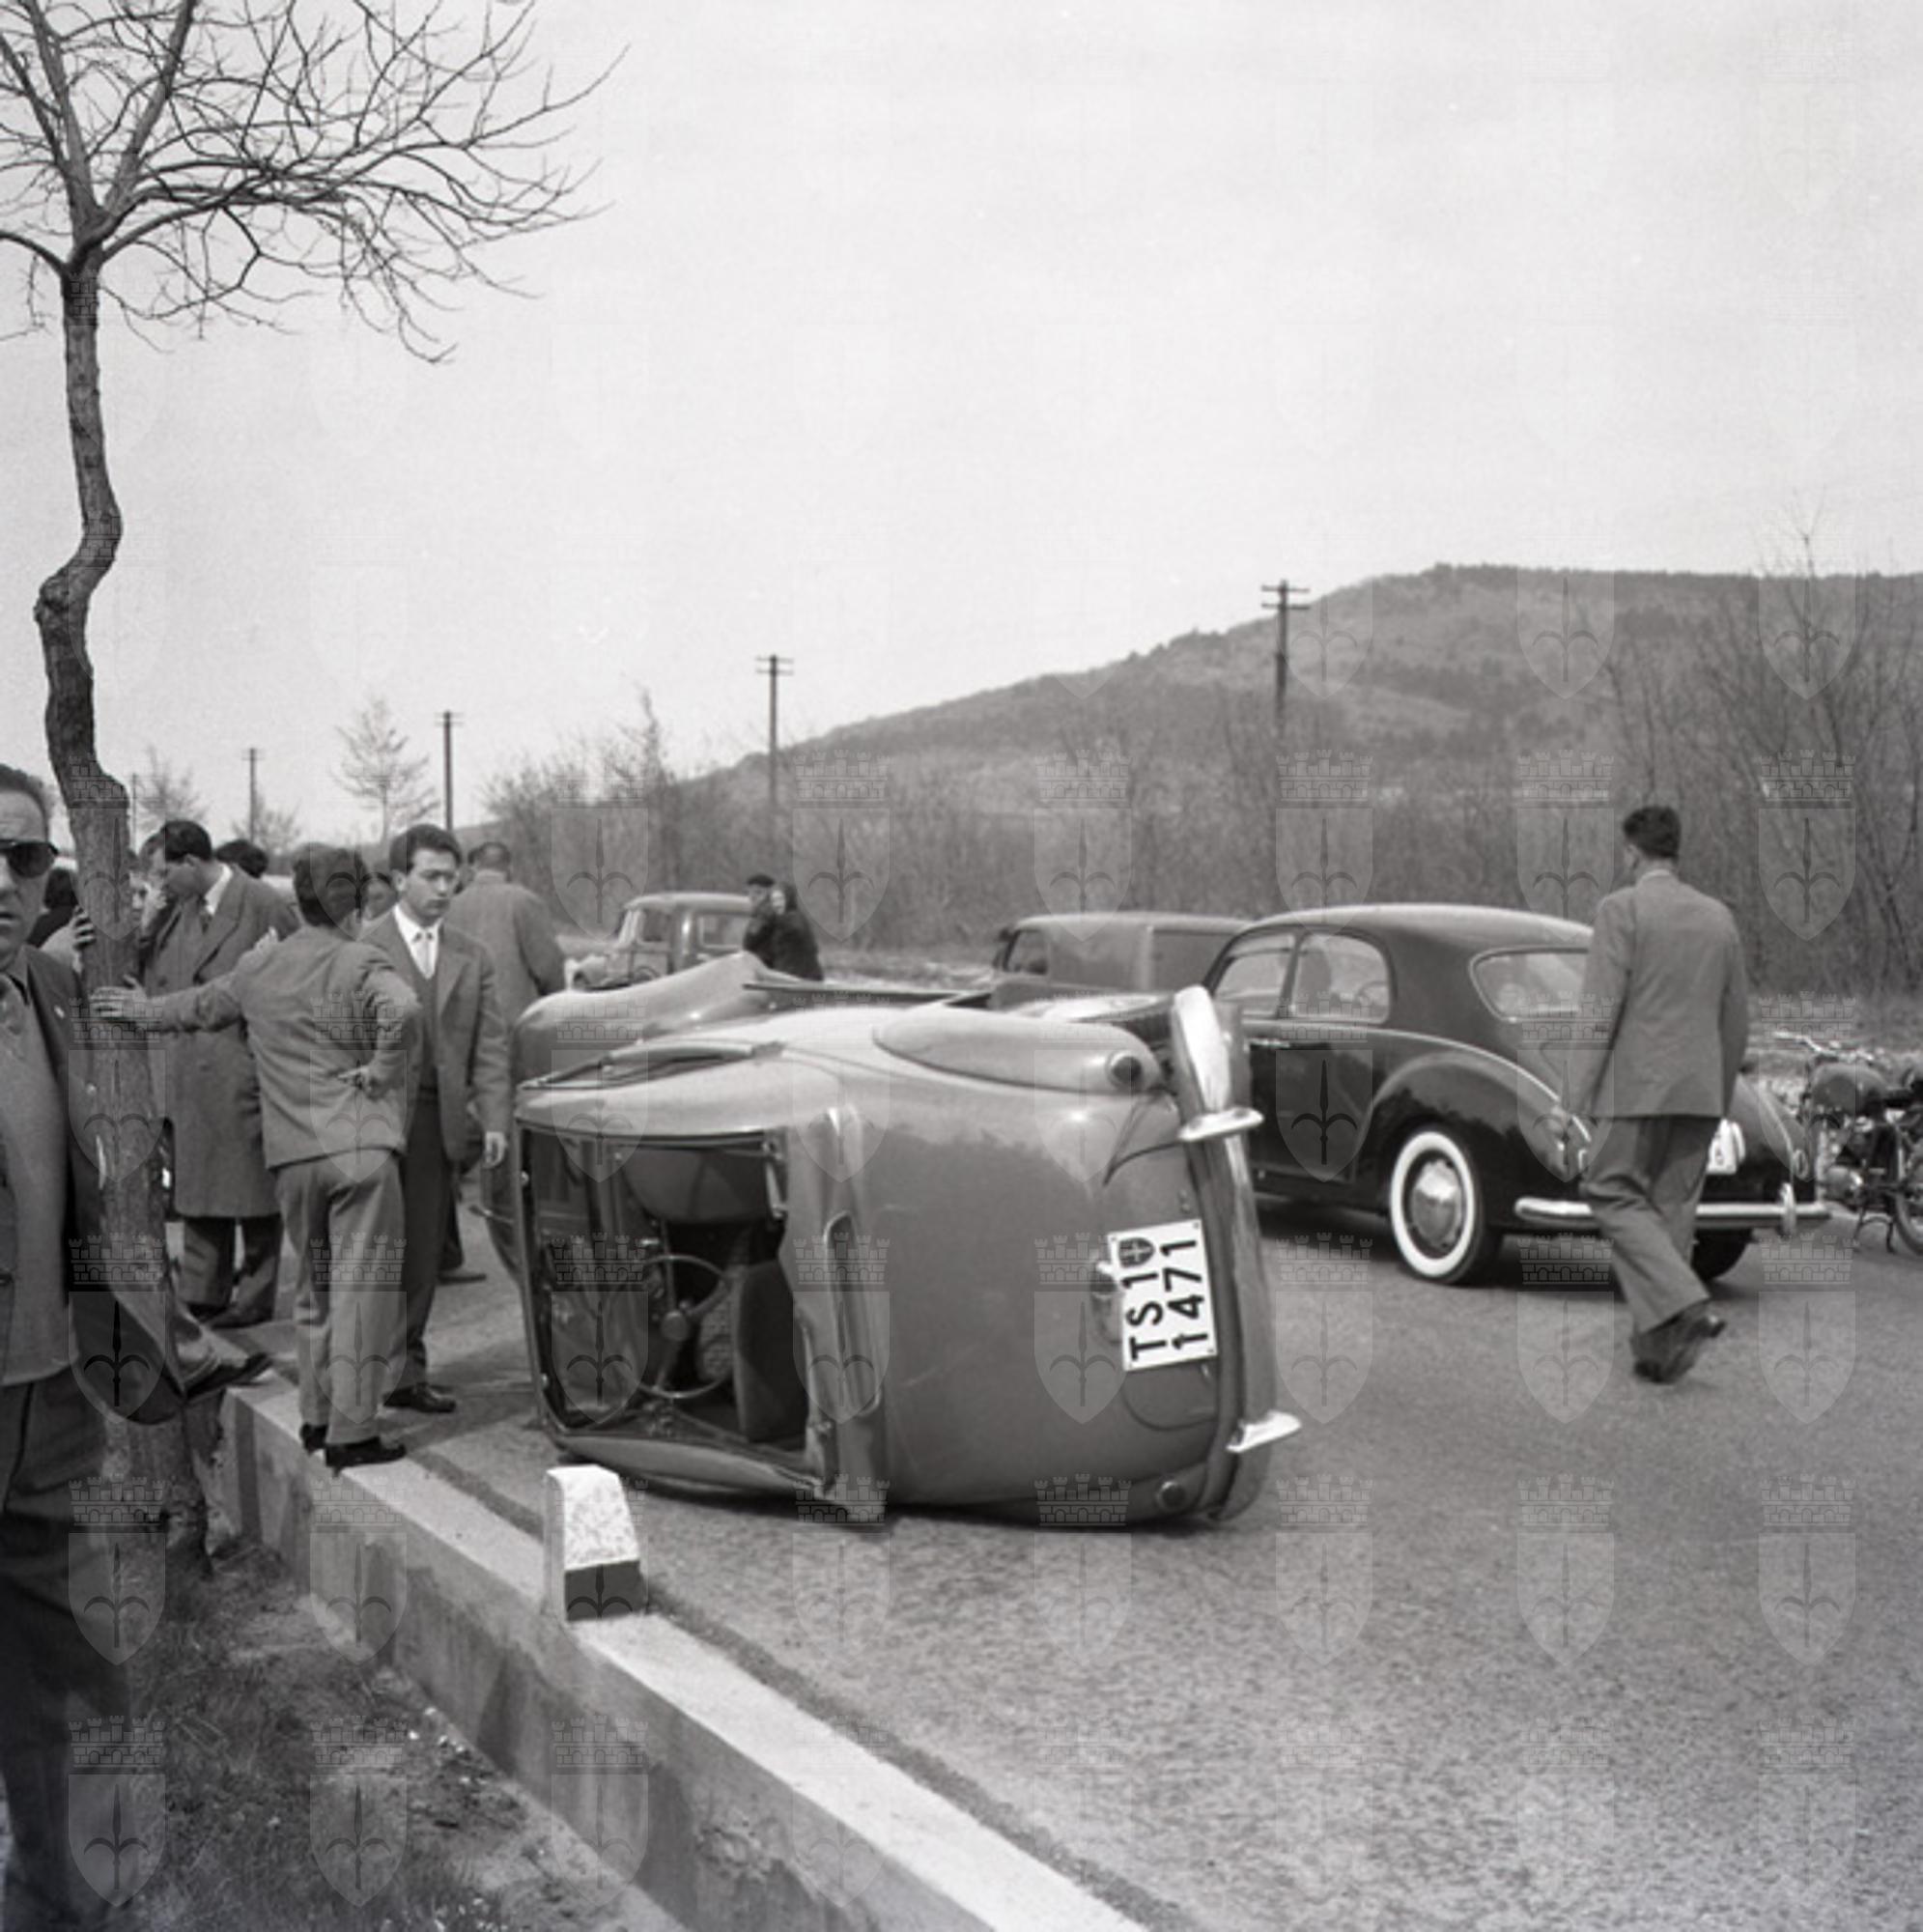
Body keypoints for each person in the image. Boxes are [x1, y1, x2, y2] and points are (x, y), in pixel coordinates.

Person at [0, 762, 266, 1926]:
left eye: (22, 857)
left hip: (48, 1405)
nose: (3, 881)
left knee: (73, 1697)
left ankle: (60, 1906)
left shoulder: (52, 988)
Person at [96, 845, 423, 1469]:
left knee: (315, 1290)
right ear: (354, 904)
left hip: (292, 1156)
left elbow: (198, 1006)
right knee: (364, 1289)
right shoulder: (360, 959)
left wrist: (138, 1011)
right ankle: (353, 1434)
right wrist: (383, 1070)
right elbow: (404, 1008)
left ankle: (316, 1418)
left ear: (300, 901)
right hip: (358, 1149)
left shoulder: (262, 965)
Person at [1548, 804, 1747, 1385]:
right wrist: (1719, 1094)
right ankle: (1659, 1352)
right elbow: (1736, 1020)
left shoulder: (1621, 910)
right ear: (1675, 851)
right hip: (1700, 1091)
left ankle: (1685, 1300)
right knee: (1669, 1216)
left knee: (1609, 1191)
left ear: (1631, 852)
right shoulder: (1719, 918)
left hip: (1637, 1089)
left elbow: (1599, 1013)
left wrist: (1569, 1101)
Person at [360, 825, 510, 1413]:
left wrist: (493, 1119)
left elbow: (490, 1046)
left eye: (452, 878)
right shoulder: (363, 948)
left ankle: (405, 1373)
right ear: (400, 880)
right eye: (431, 876)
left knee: (422, 1253)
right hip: (369, 1121)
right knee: (370, 1254)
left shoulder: (473, 956)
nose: (444, 888)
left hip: (435, 1123)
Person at [138, 818, 299, 1327]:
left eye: (164, 873)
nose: (160, 885)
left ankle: (254, 1296)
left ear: (190, 862)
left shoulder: (263, 903)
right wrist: (146, 924)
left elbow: (299, 976)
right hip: (189, 1070)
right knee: (198, 1188)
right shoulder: (176, 908)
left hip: (245, 1067)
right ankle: (203, 1292)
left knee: (255, 1191)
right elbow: (145, 974)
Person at [439, 838, 564, 1279]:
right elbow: (548, 966)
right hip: (509, 1028)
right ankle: (510, 1222)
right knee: (505, 1124)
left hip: (454, 1028)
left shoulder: (449, 904)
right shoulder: (524, 902)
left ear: (472, 867)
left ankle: (442, 1234)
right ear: (508, 867)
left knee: (454, 1123)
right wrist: (555, 1005)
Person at [742, 872, 824, 980]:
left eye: (758, 892)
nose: (752, 897)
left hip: (788, 975)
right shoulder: (788, 916)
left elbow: (750, 941)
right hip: (792, 974)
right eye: (749, 893)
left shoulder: (769, 914)